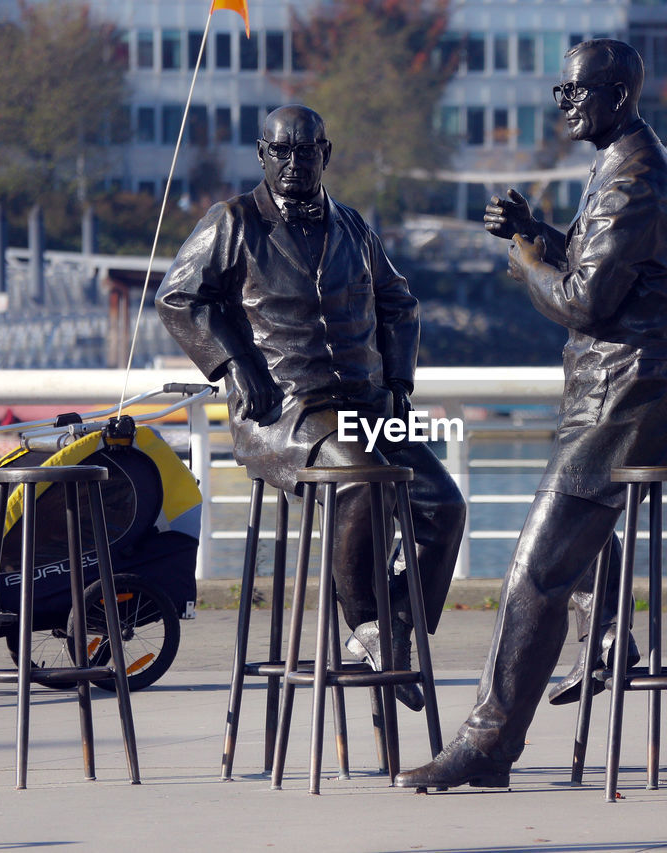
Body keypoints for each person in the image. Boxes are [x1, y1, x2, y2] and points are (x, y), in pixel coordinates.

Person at [395, 38, 667, 789]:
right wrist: (539, 233)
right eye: (560, 91)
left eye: (574, 93)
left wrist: (528, 264)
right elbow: (610, 268)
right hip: (636, 395)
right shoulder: (627, 163)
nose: (562, 105)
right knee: (557, 551)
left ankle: (488, 743)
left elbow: (584, 301)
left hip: (628, 402)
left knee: (533, 570)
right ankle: (605, 638)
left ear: (618, 96)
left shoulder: (633, 175)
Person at [156, 105, 466, 710]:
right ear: (262, 154)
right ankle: (368, 625)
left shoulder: (353, 226)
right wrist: (235, 366)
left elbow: (400, 305)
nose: (295, 163)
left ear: (326, 153)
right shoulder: (233, 221)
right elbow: (178, 297)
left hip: (369, 404)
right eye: (282, 151)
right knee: (362, 483)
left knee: (444, 506)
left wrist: (399, 382)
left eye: (307, 151)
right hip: (287, 410)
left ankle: (399, 624)